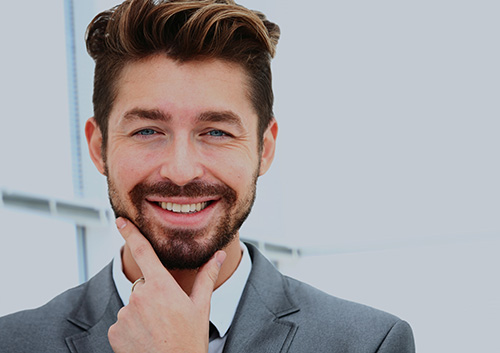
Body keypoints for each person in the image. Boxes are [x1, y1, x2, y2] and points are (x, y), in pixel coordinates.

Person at [0, 0, 415, 352]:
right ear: (99, 147)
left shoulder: (369, 343)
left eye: (216, 132)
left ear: (263, 148)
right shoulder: (14, 342)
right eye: (148, 131)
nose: (181, 171)